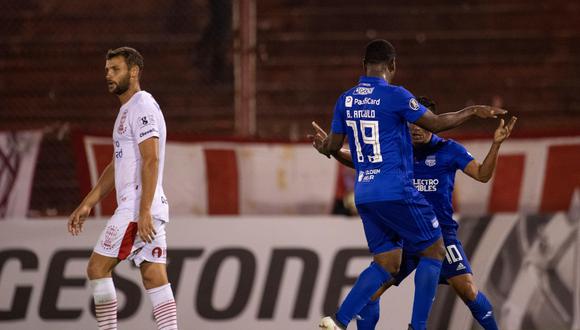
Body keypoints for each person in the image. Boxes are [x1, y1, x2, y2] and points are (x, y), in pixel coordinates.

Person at [315, 39, 507, 330]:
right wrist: (472, 111)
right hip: (396, 193)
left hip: (364, 194)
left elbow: (333, 144)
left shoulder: (346, 99)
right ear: (393, 66)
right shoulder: (396, 96)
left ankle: (338, 321)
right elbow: (437, 123)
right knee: (434, 250)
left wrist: (325, 148)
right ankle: (417, 328)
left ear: (362, 66)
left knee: (385, 264)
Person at [68, 47, 178, 330]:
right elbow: (117, 165)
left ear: (134, 72)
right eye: (106, 70)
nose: (108, 75)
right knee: (154, 276)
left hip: (137, 206)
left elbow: (151, 158)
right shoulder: (126, 111)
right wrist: (88, 202)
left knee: (97, 268)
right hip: (146, 206)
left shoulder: (141, 104)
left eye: (115, 69)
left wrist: (142, 212)